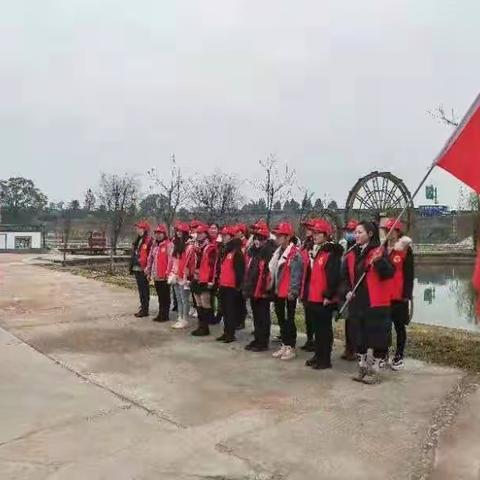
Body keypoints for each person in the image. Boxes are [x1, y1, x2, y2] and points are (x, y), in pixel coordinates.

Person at [344, 221, 395, 384]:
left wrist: (380, 261)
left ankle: (375, 370)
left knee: (377, 337)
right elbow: (345, 277)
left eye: (360, 232)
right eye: (356, 232)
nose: (356, 235)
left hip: (376, 302)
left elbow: (389, 273)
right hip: (357, 301)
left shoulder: (378, 252)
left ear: (370, 234)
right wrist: (346, 291)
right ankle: (362, 367)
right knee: (359, 337)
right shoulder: (352, 253)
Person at [301, 220, 343, 369]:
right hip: (314, 297)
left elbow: (333, 277)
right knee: (318, 330)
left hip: (324, 299)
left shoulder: (331, 253)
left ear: (326, 235)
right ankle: (318, 355)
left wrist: (328, 296)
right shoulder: (319, 251)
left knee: (324, 330)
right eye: (314, 233)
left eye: (318, 233)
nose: (314, 235)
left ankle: (325, 359)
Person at [381, 218, 414, 370]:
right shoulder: (381, 249)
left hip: (399, 295)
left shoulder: (405, 249)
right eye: (386, 230)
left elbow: (409, 274)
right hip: (384, 295)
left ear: (397, 231)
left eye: (391, 230)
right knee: (384, 327)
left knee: (399, 326)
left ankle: (399, 355)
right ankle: (383, 354)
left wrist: (407, 294)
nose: (388, 233)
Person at [270, 222, 304, 361]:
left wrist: (293, 291)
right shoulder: (278, 252)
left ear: (287, 237)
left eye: (280, 235)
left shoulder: (294, 253)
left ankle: (291, 346)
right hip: (278, 291)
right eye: (276, 235)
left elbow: (296, 274)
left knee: (288, 319)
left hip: (288, 292)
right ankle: (284, 344)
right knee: (280, 319)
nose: (277, 237)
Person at [243, 222, 275, 352]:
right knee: (256, 315)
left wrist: (267, 288)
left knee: (263, 316)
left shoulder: (268, 252)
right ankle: (257, 338)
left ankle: (263, 341)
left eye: (260, 238)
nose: (257, 241)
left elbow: (269, 272)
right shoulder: (254, 252)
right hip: (253, 288)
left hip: (263, 290)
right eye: (255, 238)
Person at [216, 226, 245, 343]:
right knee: (225, 311)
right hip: (223, 285)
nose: (223, 237)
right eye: (222, 235)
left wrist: (238, 287)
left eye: (225, 235)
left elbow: (240, 271)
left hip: (232, 287)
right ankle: (226, 332)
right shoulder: (225, 250)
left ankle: (230, 334)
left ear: (232, 237)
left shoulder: (236, 252)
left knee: (230, 311)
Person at [191, 223, 218, 336]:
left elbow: (213, 266)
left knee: (205, 302)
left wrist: (211, 280)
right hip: (196, 277)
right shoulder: (196, 246)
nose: (199, 235)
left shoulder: (210, 247)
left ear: (206, 234)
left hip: (205, 278)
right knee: (198, 302)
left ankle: (205, 327)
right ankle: (200, 325)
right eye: (198, 233)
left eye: (201, 233)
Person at [168, 222, 193, 329]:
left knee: (184, 298)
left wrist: (185, 275)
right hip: (176, 274)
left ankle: (185, 319)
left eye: (180, 231)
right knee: (178, 298)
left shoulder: (189, 246)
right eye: (177, 231)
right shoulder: (176, 244)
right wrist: (172, 272)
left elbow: (189, 262)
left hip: (184, 276)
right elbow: (174, 260)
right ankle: (180, 317)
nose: (178, 233)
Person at [340, 219, 359, 361]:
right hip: (347, 290)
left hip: (358, 291)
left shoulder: (359, 250)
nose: (349, 234)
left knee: (357, 322)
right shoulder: (346, 248)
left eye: (351, 231)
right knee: (349, 321)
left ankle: (356, 349)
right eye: (348, 231)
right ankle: (349, 348)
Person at [146, 224, 173, 322]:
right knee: (160, 296)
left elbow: (171, 260)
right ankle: (160, 313)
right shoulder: (154, 246)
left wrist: (168, 272)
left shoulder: (169, 245)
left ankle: (165, 315)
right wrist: (148, 271)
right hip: (156, 275)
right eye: (156, 233)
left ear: (164, 234)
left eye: (160, 233)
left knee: (165, 296)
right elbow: (150, 259)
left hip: (164, 276)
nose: (158, 235)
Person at [129, 221, 153, 318]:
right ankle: (143, 306)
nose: (137, 230)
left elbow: (150, 256)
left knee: (144, 290)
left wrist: (149, 269)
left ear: (144, 229)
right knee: (140, 289)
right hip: (136, 268)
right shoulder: (138, 240)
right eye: (137, 228)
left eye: (139, 228)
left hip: (144, 269)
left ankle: (145, 309)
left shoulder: (149, 241)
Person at [299, 219, 315, 352]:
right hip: (305, 283)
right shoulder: (305, 245)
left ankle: (315, 340)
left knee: (313, 315)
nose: (307, 231)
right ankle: (310, 339)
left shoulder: (315, 246)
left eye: (309, 228)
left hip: (313, 284)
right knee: (308, 315)